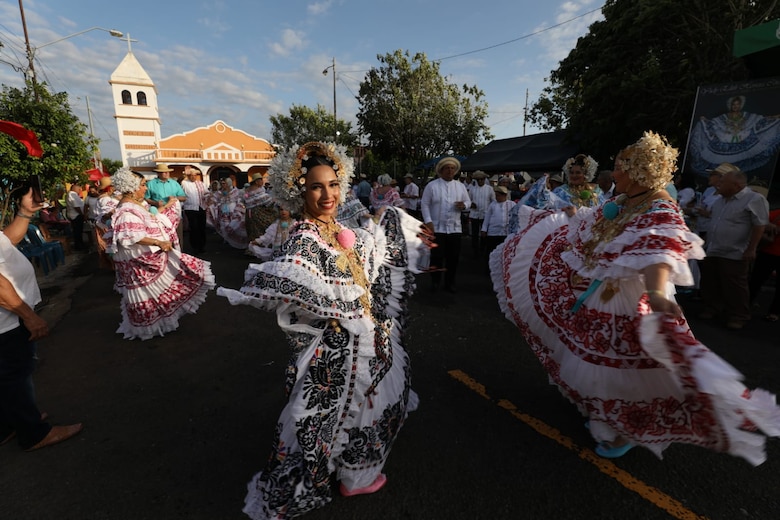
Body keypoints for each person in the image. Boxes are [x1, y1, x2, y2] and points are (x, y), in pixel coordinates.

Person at [489, 131, 780, 464]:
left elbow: (659, 249)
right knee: (592, 361)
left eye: (619, 168)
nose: (614, 174)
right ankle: (601, 413)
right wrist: (568, 222)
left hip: (627, 300)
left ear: (640, 172)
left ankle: (622, 429)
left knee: (624, 369)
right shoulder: (626, 200)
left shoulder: (660, 204)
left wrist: (656, 291)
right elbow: (593, 226)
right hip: (600, 296)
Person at [217, 141, 433, 519]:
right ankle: (349, 476)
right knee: (334, 415)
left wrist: (396, 224)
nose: (328, 194)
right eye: (317, 187)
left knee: (376, 404)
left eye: (333, 184)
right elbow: (296, 280)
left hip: (368, 338)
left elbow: (372, 246)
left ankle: (356, 472)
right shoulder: (304, 238)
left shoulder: (337, 228)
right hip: (336, 351)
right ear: (299, 191)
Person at [1, 187, 83, 451]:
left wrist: (25, 212)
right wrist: (28, 316)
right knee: (16, 375)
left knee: (8, 376)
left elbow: (6, 241)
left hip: (10, 318)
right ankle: (33, 433)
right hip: (8, 320)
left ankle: (12, 423)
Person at [109, 168, 215, 340]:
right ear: (131, 188)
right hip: (137, 260)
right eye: (143, 185)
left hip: (139, 258)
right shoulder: (127, 209)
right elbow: (130, 236)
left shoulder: (132, 205)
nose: (145, 188)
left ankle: (155, 324)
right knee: (145, 292)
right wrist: (158, 242)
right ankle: (147, 328)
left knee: (150, 292)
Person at [699, 164, 769, 330]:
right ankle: (713, 308)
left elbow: (760, 225)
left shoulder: (754, 199)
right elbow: (715, 222)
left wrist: (751, 249)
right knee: (711, 282)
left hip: (736, 252)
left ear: (737, 185)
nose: (718, 185)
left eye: (722, 182)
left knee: (735, 286)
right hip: (714, 248)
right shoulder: (720, 201)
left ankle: (739, 315)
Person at [689, 94, 780, 173]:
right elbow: (713, 123)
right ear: (731, 105)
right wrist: (704, 120)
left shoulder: (747, 115)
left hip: (743, 139)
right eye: (734, 104)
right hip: (727, 141)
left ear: (741, 105)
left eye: (738, 104)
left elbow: (761, 120)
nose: (736, 106)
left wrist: (776, 117)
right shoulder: (724, 117)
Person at [420, 156, 471, 293]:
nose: (450, 170)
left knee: (453, 258)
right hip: (437, 228)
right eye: (447, 168)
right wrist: (428, 221)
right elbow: (424, 204)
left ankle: (450, 283)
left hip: (454, 228)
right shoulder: (432, 186)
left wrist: (464, 205)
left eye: (452, 168)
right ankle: (435, 282)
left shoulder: (460, 186)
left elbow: (468, 202)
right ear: (441, 171)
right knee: (436, 257)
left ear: (455, 171)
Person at [748, 207, 780, 322]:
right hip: (768, 252)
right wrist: (769, 225)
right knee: (755, 281)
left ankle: (774, 312)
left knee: (756, 281)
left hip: (768, 252)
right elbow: (760, 221)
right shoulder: (776, 213)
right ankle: (744, 307)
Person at [145, 163, 187, 249]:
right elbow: (146, 198)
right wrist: (155, 203)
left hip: (175, 214)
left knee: (177, 235)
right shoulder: (151, 184)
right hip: (159, 213)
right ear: (158, 173)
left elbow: (183, 197)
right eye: (164, 172)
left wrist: (174, 198)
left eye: (167, 172)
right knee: (163, 235)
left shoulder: (174, 183)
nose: (167, 174)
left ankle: (179, 254)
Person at [204, 178, 247, 249]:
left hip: (233, 211)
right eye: (222, 184)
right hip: (223, 211)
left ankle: (231, 239)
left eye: (224, 183)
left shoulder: (235, 191)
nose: (223, 185)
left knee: (232, 225)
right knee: (223, 225)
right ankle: (226, 239)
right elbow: (214, 199)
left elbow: (242, 197)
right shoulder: (219, 192)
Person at [242, 172, 276, 247]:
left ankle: (253, 247)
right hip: (258, 213)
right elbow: (268, 201)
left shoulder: (247, 191)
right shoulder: (258, 192)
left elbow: (245, 199)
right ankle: (261, 246)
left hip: (249, 213)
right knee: (264, 227)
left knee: (252, 230)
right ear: (257, 181)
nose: (262, 182)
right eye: (261, 180)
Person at [180, 165, 208, 254]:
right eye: (192, 175)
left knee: (202, 228)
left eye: (195, 175)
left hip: (201, 207)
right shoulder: (184, 183)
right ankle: (195, 246)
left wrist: (208, 197)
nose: (194, 177)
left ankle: (202, 246)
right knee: (194, 228)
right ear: (188, 176)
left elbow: (207, 193)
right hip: (190, 208)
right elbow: (182, 194)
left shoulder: (201, 183)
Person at [480, 185, 515, 255]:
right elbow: (487, 217)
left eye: (498, 196)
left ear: (504, 195)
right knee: (491, 251)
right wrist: (484, 229)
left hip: (506, 232)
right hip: (493, 232)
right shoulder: (492, 204)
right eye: (496, 195)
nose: (496, 197)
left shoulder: (512, 204)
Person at [468, 171, 495, 256]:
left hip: (485, 215)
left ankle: (483, 249)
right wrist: (471, 204)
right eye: (478, 179)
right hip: (474, 214)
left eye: (482, 179)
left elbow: (493, 201)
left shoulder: (489, 189)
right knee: (474, 234)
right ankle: (475, 250)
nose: (480, 181)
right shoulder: (472, 189)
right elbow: (468, 200)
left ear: (484, 179)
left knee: (484, 233)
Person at [65, 181, 86, 251]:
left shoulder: (73, 194)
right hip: (76, 216)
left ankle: (80, 244)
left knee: (78, 231)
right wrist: (82, 214)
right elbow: (76, 206)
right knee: (77, 232)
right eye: (79, 189)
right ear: (75, 189)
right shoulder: (72, 194)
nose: (80, 191)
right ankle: (79, 246)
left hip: (76, 215)